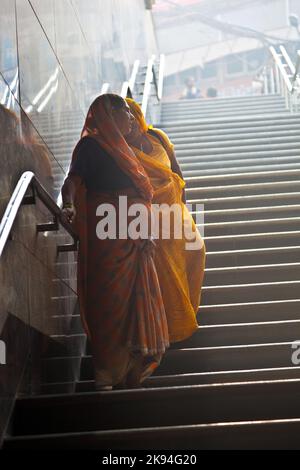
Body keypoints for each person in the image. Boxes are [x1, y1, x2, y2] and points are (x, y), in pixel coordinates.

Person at [61, 94, 169, 391]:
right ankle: (107, 372)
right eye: (125, 113)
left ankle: (132, 368)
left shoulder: (125, 149)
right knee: (108, 297)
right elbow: (72, 181)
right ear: (108, 115)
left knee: (137, 297)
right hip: (107, 236)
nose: (132, 119)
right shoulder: (91, 145)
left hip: (135, 236)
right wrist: (68, 205)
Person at [125, 98, 206, 345]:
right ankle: (173, 327)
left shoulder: (156, 137)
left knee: (196, 252)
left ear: (138, 115)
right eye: (124, 116)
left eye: (132, 114)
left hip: (175, 210)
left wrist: (183, 200)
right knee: (167, 269)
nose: (129, 120)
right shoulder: (120, 149)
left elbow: (176, 170)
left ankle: (189, 313)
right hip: (151, 216)